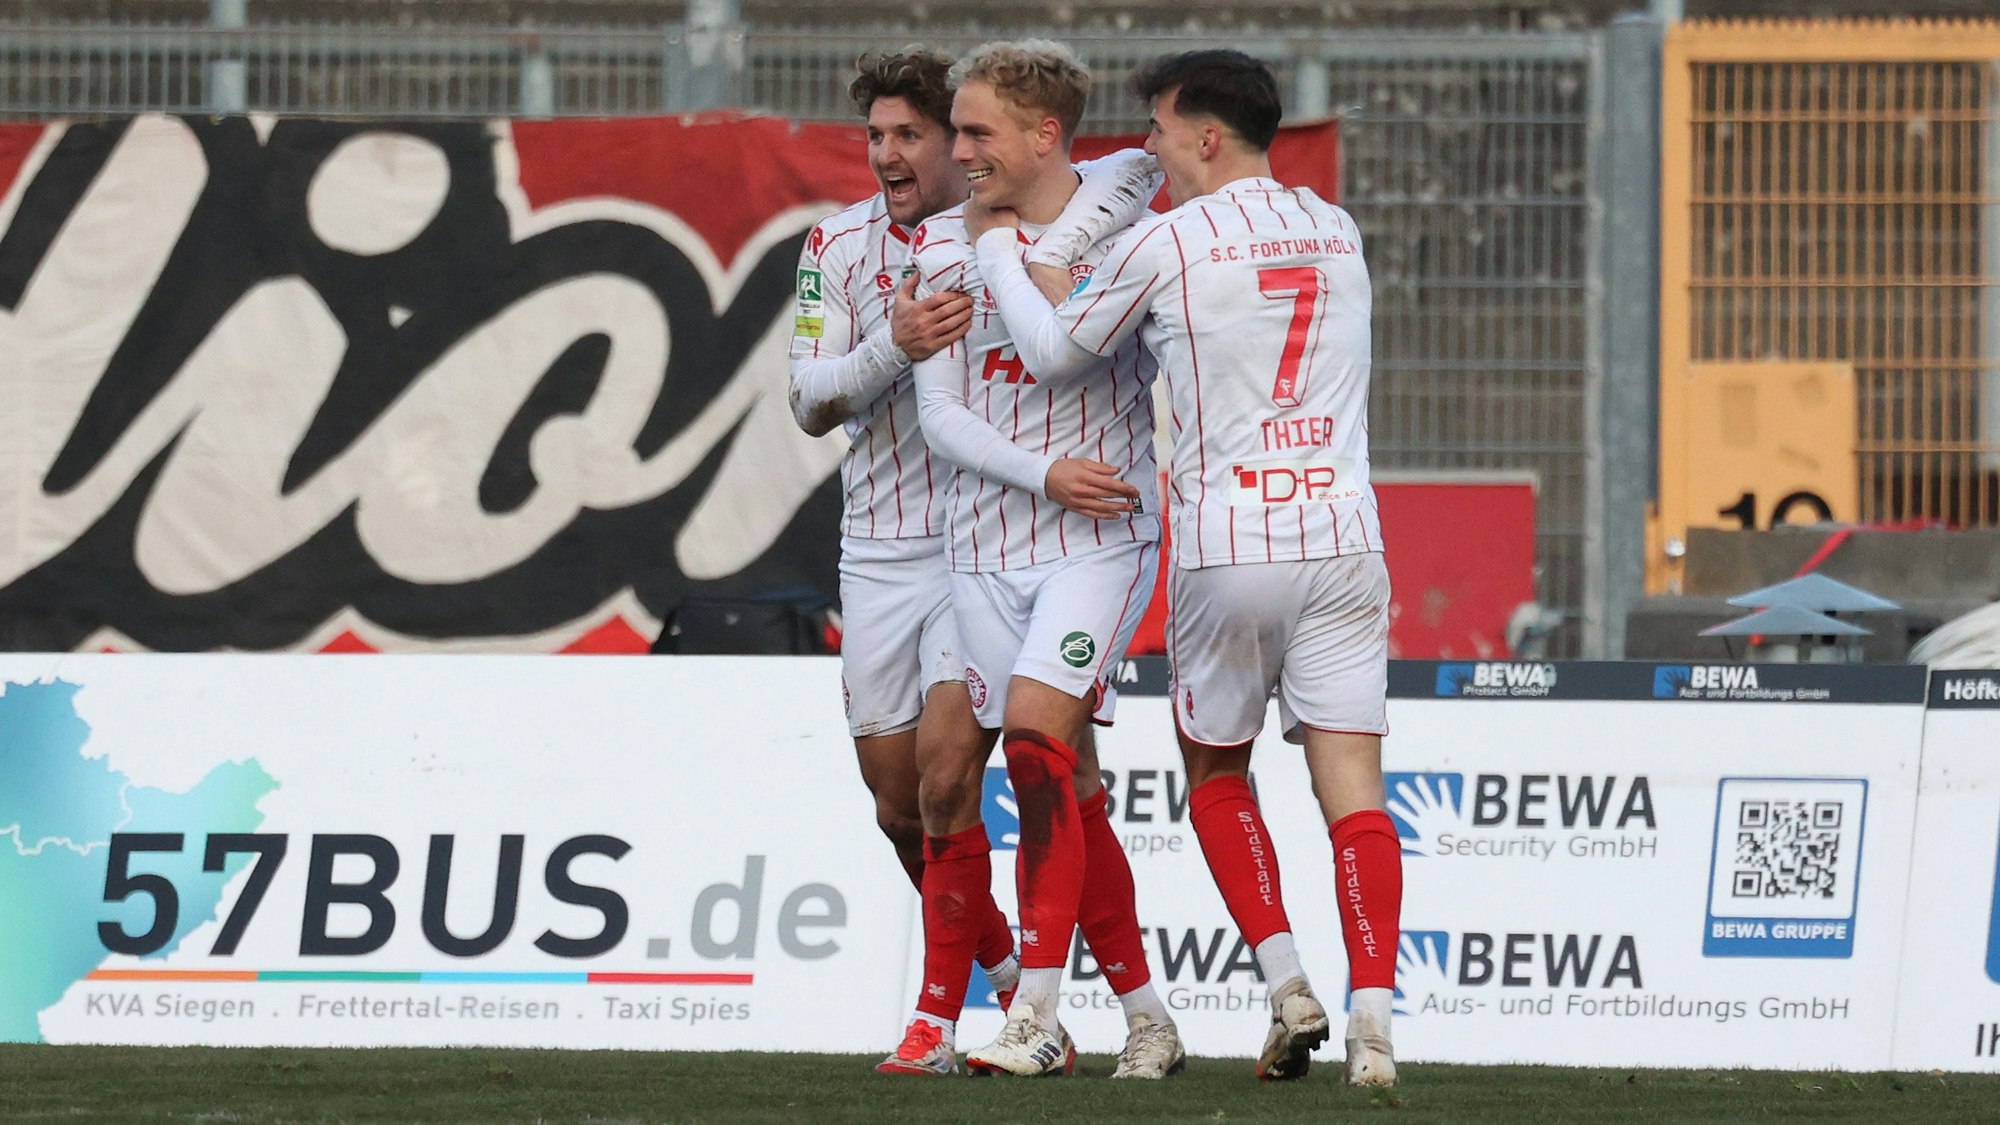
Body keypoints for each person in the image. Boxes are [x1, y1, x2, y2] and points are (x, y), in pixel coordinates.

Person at [968, 48, 1402, 1086]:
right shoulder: (1336, 230)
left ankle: (1285, 980)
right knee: (1355, 793)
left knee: (1215, 773)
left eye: (1159, 128)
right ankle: (1374, 1029)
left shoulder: (1167, 240)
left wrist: (997, 257)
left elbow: (1052, 349)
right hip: (1345, 536)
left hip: (1230, 542)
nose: (1148, 148)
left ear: (1206, 136)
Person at [787, 47, 1156, 1077]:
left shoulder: (1012, 225)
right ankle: (1013, 986)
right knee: (899, 805)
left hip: (979, 544)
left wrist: (1052, 242)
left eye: (916, 135)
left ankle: (944, 1022)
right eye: (878, 136)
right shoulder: (835, 245)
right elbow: (809, 399)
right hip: (878, 549)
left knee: (971, 774)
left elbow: (1133, 166)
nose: (894, 155)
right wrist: (890, 347)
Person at [908, 38, 1184, 1080]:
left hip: (1097, 539)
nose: (956, 149)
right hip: (983, 546)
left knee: (1031, 749)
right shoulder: (939, 249)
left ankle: (1032, 1017)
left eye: (976, 133)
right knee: (1062, 789)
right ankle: (1148, 1020)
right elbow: (938, 419)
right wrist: (1039, 473)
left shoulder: (1128, 239)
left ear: (1043, 134)